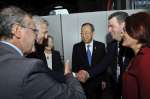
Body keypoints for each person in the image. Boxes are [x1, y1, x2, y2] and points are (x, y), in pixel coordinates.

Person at [0, 6, 86, 99]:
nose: (43, 37)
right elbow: (78, 96)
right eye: (34, 30)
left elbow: (51, 74)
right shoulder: (29, 68)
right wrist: (69, 75)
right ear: (17, 30)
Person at [77, 11, 134, 99]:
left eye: (112, 26)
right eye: (108, 27)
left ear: (123, 25)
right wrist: (88, 74)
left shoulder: (135, 46)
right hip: (116, 88)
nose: (109, 30)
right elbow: (104, 63)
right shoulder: (112, 45)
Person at [72, 22, 106, 99]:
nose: (84, 36)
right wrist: (76, 82)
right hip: (83, 84)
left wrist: (104, 80)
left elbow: (104, 65)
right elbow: (74, 67)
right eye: (82, 33)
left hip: (97, 82)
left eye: (86, 33)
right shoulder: (76, 47)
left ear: (93, 33)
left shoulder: (101, 46)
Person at [122, 12, 150, 99]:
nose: (122, 34)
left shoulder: (146, 59)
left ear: (138, 31)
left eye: (125, 30)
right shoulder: (137, 57)